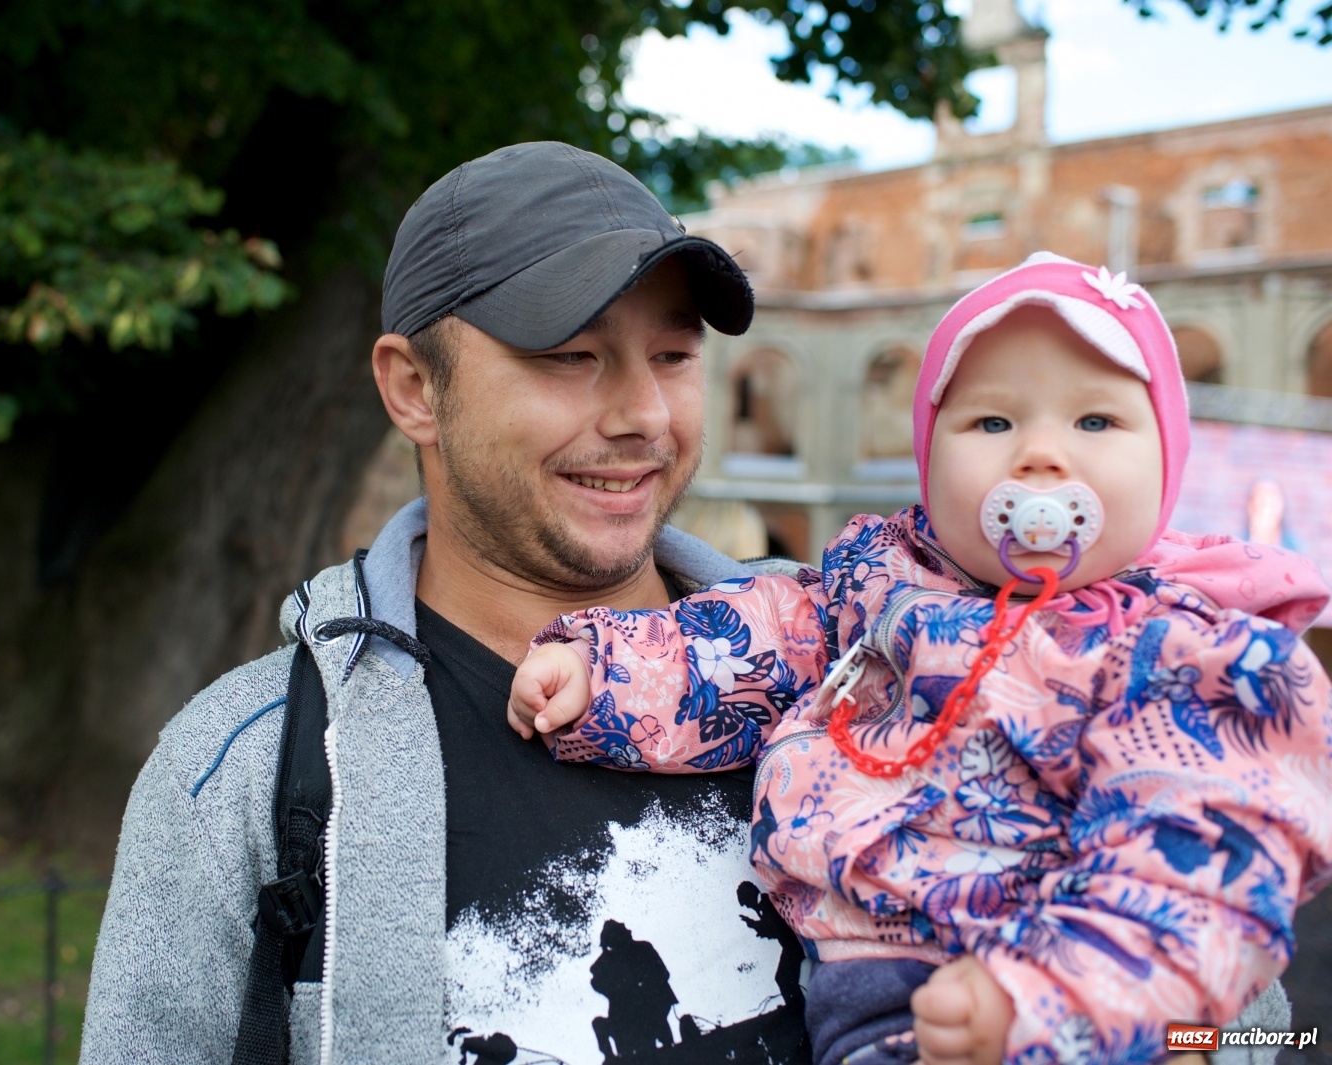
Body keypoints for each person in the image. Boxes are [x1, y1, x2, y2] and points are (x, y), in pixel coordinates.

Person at [82, 141, 817, 1064]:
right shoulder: (243, 769)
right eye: (571, 355)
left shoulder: (840, 688)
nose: (646, 415)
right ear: (413, 388)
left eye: (672, 354)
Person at [510, 253, 1332, 1065]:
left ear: (1167, 462)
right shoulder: (874, 584)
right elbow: (748, 641)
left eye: (1095, 422)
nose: (1041, 455)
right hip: (861, 989)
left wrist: (1051, 1001)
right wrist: (606, 672)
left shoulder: (1185, 650)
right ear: (930, 458)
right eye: (993, 422)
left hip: (1047, 984)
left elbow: (1208, 849)